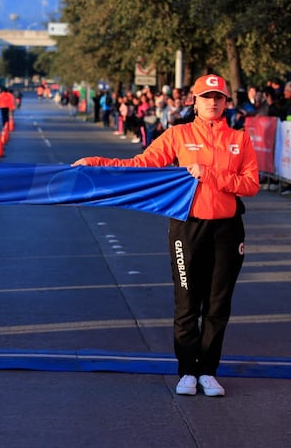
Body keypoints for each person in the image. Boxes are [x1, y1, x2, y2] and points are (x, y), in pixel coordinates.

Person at [73, 74, 259, 397]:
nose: (212, 102)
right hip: (187, 227)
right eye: (206, 96)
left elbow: (251, 184)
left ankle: (208, 372)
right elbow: (139, 165)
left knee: (218, 304)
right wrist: (95, 165)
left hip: (227, 230)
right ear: (194, 101)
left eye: (218, 97)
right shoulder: (178, 135)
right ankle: (187, 369)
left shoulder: (240, 140)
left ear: (226, 102)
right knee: (187, 302)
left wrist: (211, 174)